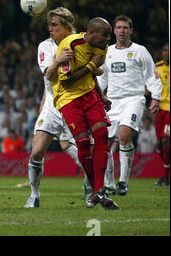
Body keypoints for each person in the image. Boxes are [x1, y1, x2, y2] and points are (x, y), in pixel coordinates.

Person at [24, 7, 91, 208]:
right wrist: (59, 60)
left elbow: (98, 68)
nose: (50, 29)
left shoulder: (81, 43)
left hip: (76, 103)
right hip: (53, 105)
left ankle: (91, 188)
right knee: (36, 152)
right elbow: (49, 75)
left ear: (67, 26)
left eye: (54, 25)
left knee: (86, 153)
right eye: (49, 25)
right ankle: (34, 196)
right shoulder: (45, 46)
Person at [53, 17, 118, 210]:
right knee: (82, 142)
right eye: (105, 35)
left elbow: (90, 74)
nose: (108, 40)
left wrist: (101, 96)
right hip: (68, 98)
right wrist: (91, 66)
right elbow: (66, 81)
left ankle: (99, 191)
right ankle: (96, 190)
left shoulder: (102, 47)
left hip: (90, 94)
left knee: (102, 134)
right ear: (91, 33)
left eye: (109, 36)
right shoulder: (69, 45)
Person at [98, 15, 162, 195]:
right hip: (112, 101)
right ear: (114, 31)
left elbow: (152, 75)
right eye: (118, 27)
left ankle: (123, 181)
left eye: (125, 28)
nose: (122, 31)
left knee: (124, 134)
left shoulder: (140, 51)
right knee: (105, 142)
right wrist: (98, 97)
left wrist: (156, 97)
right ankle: (109, 184)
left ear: (131, 31)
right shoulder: (107, 52)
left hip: (134, 99)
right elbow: (102, 78)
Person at [154, 43, 170, 186]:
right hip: (159, 110)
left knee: (166, 141)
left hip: (169, 111)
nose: (167, 53)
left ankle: (166, 176)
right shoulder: (157, 67)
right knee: (159, 144)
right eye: (165, 50)